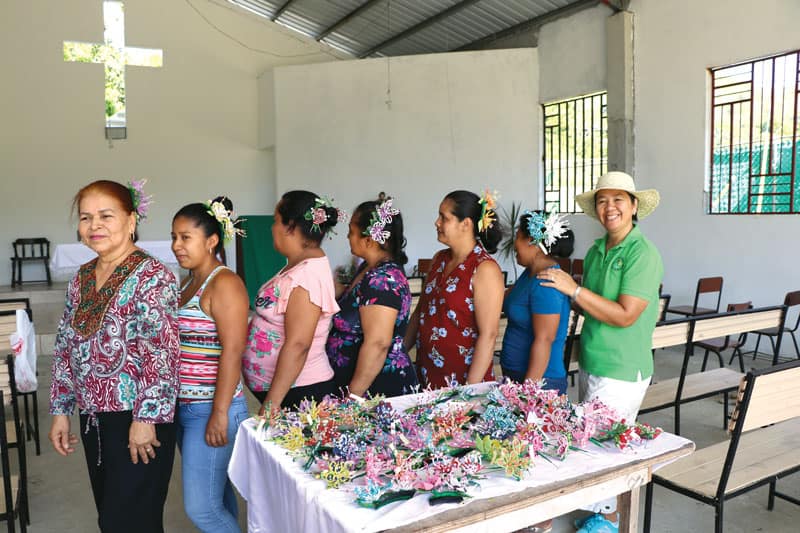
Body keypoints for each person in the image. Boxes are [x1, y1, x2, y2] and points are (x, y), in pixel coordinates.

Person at [49, 179, 180, 533]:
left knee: (130, 520)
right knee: (110, 517)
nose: (94, 226)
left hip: (138, 420)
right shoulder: (82, 277)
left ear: (131, 220)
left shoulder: (153, 276)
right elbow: (65, 346)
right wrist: (62, 410)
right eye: (86, 217)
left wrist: (146, 418)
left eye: (106, 215)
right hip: (94, 418)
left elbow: (161, 355)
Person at [539, 171, 663, 533]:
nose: (610, 208)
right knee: (591, 448)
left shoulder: (642, 253)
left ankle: (608, 524)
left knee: (605, 455)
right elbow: (591, 306)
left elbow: (625, 315)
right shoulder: (596, 252)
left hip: (622, 368)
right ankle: (597, 519)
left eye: (618, 200)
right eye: (603, 200)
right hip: (593, 361)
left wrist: (573, 290)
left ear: (634, 206)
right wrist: (560, 293)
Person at [171, 197, 250, 532]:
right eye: (174, 236)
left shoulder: (225, 283)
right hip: (186, 406)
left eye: (185, 237)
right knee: (217, 499)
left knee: (201, 509)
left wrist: (219, 412)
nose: (176, 245)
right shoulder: (189, 282)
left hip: (212, 407)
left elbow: (233, 352)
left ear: (212, 240)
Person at [243, 191, 340, 414]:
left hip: (301, 392)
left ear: (291, 227)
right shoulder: (299, 266)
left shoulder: (307, 276)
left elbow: (298, 344)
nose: (271, 228)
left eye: (276, 221)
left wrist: (272, 403)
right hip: (291, 392)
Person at [405, 190, 505, 389]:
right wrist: (397, 352)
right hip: (428, 374)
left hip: (463, 381)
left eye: (444, 217)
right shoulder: (438, 259)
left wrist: (469, 391)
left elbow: (489, 334)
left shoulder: (484, 269)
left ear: (465, 224)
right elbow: (420, 313)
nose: (437, 223)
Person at [326, 197, 418, 397]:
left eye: (351, 231)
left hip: (375, 389)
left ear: (369, 240)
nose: (348, 237)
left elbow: (378, 343)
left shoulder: (383, 279)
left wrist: (353, 397)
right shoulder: (368, 268)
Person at [500, 210, 574, 395]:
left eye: (517, 236)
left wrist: (527, 394)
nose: (514, 244)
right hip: (516, 374)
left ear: (532, 241)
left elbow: (544, 340)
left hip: (541, 383)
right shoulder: (530, 273)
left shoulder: (546, 281)